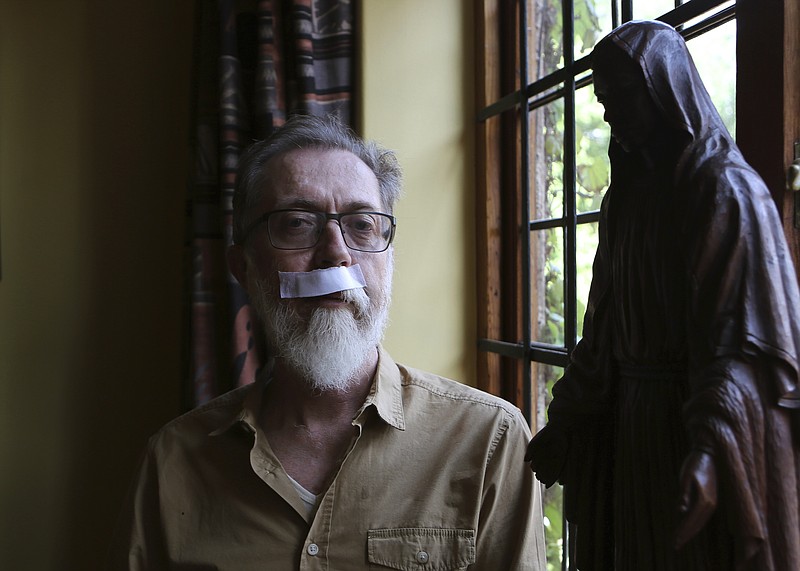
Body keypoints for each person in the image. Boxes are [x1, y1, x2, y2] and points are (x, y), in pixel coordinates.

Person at [107, 114, 546, 570]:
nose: (336, 252)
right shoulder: (173, 463)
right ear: (244, 268)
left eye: (362, 225)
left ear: (388, 258)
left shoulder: (488, 441)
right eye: (297, 223)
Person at [526, 20, 800, 571]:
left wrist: (711, 447)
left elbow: (743, 347)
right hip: (631, 431)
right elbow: (601, 329)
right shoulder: (626, 198)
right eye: (602, 100)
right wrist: (569, 419)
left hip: (691, 430)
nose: (609, 114)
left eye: (621, 97)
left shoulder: (724, 190)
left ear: (663, 88)